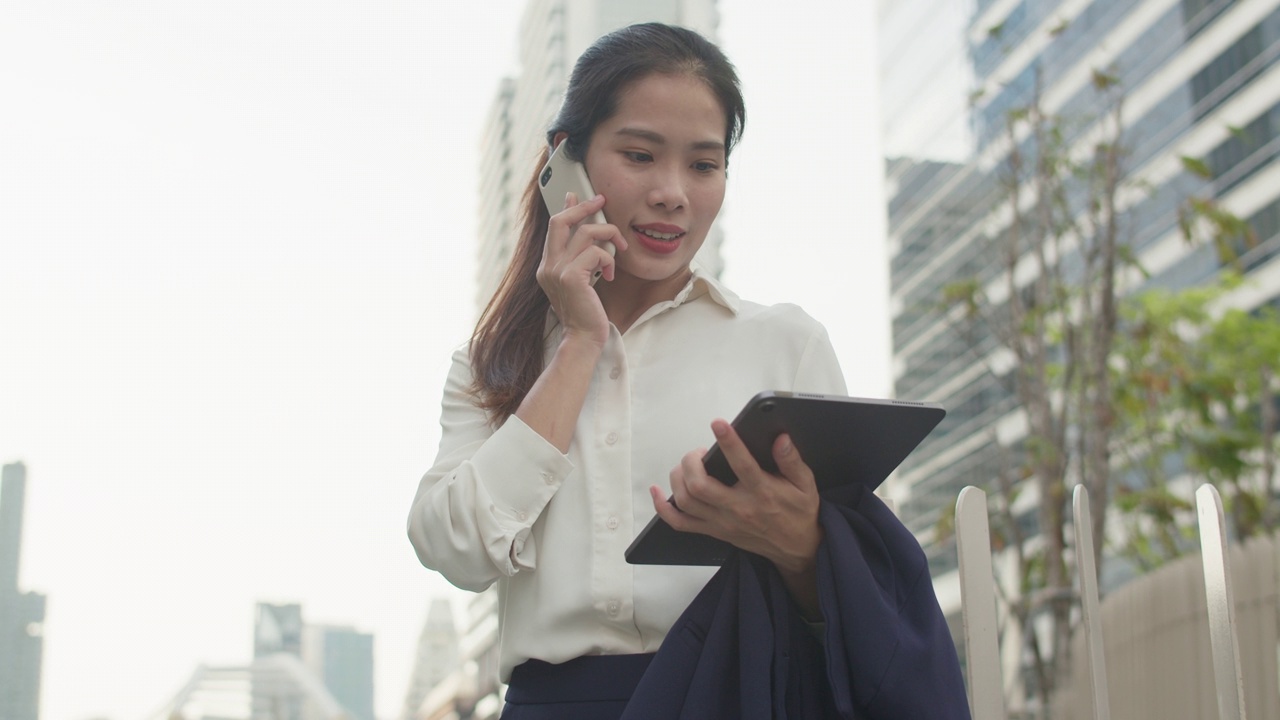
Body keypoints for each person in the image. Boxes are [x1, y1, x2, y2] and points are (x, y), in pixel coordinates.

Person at [408, 22, 967, 720]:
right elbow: (455, 547)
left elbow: (844, 602)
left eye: (704, 165)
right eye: (640, 155)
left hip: (733, 697)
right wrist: (581, 341)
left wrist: (801, 548)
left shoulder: (783, 344)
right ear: (567, 164)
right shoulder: (495, 361)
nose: (674, 192)